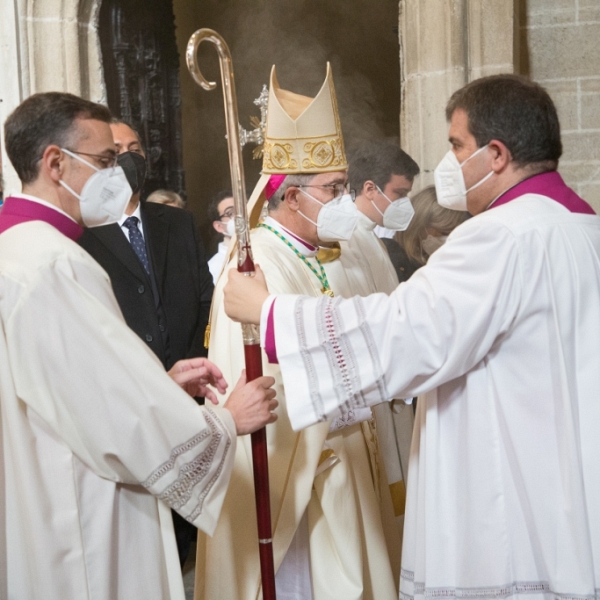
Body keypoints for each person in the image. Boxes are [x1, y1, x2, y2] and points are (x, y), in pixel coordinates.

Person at [223, 74, 600, 598]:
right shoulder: (583, 229)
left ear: (494, 154)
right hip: (573, 478)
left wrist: (267, 315)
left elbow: (404, 331)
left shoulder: (500, 237)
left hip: (513, 493)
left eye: (456, 145)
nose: (449, 162)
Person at [0, 91, 278, 600]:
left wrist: (159, 384)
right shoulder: (54, 263)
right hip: (85, 516)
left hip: (35, 492)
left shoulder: (14, 251)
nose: (119, 173)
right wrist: (225, 421)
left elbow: (67, 386)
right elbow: (117, 420)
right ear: (55, 163)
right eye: (105, 160)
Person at [195, 64, 398, 600]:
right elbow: (256, 379)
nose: (342, 199)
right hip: (304, 474)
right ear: (290, 195)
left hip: (348, 457)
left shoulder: (328, 254)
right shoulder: (255, 261)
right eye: (333, 188)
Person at [78, 119, 215, 565]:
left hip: (189, 391)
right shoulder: (81, 232)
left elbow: (203, 297)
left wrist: (192, 366)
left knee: (193, 527)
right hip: (128, 397)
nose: (128, 158)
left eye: (134, 148)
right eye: (114, 151)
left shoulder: (176, 222)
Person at [322, 140, 420, 569]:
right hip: (364, 392)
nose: (403, 205)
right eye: (399, 194)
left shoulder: (367, 237)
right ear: (368, 188)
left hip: (385, 387)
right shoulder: (338, 241)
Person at [389, 185, 469, 281]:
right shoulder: (392, 259)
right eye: (443, 232)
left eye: (454, 234)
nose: (448, 239)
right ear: (418, 226)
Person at [207, 189, 234, 284]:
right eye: (231, 213)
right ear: (219, 226)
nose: (241, 216)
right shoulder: (213, 268)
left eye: (244, 208)